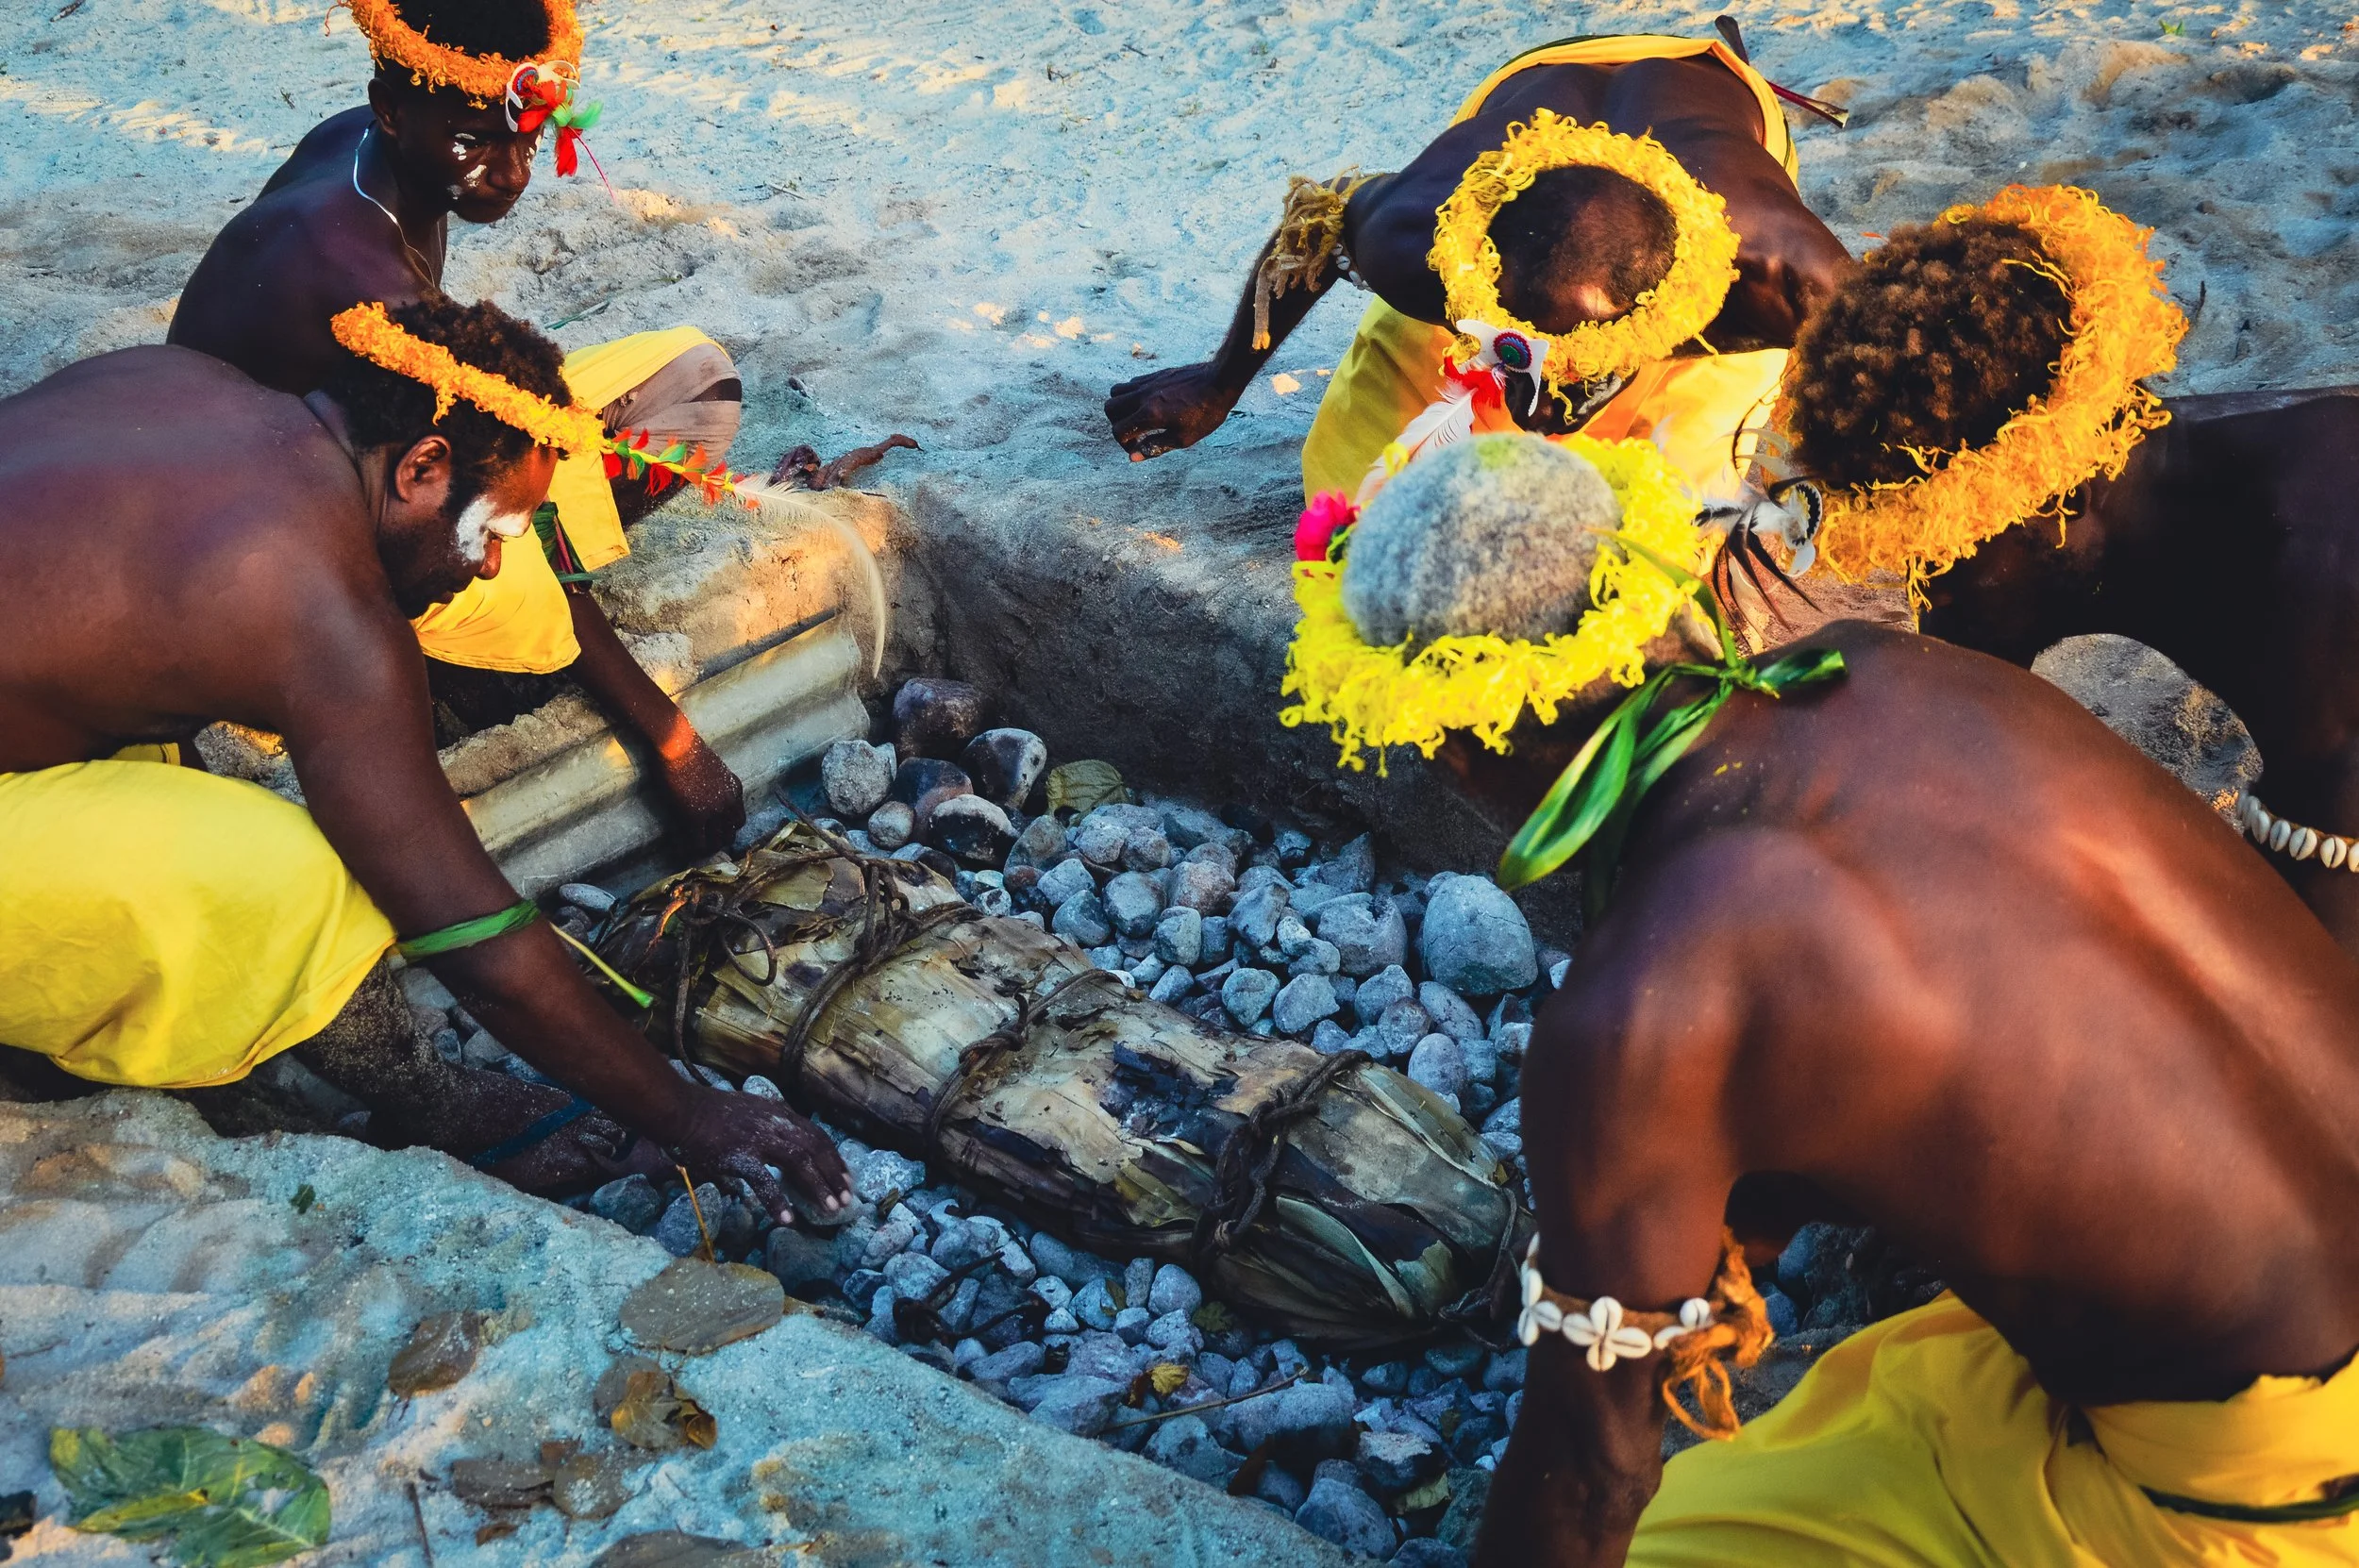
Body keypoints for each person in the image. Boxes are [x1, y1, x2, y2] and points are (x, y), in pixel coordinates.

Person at [1429, 622, 2359, 1566]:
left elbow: (1593, 1474)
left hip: (2279, 1497)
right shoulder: (1874, 660)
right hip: (2301, 1352)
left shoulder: (1649, 1000)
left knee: (1683, 1533)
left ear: (1455, 756)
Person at [0, 296, 851, 1220]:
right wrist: (693, 1116)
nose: (488, 571)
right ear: (421, 467)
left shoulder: (170, 379)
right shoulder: (321, 617)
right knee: (287, 875)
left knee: (158, 749)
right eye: (494, 533)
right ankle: (435, 1107)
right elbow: (471, 935)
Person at [169, 0, 748, 853]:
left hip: (398, 443)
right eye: (476, 142)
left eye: (524, 138)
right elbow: (453, 483)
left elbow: (451, 430)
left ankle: (521, 560)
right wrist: (675, 743)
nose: (511, 173)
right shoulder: (353, 269)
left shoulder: (368, 147)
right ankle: (460, 644)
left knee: (695, 381)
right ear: (393, 109)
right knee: (506, 575)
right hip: (271, 531)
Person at [1773, 185, 2359, 951]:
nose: (1927, 585)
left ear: (2070, 493)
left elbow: (2322, 983)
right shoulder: (2203, 471)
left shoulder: (2318, 602)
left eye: (1952, 539)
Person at [1105, 19, 1855, 506]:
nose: (1535, 411)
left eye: (1576, 363)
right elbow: (1314, 227)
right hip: (1545, 82)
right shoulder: (1417, 234)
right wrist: (1218, 382)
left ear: (1665, 302)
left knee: (1682, 523)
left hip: (1711, 115)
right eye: (1512, 352)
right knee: (1356, 499)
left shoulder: (1780, 281)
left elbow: (1917, 363)